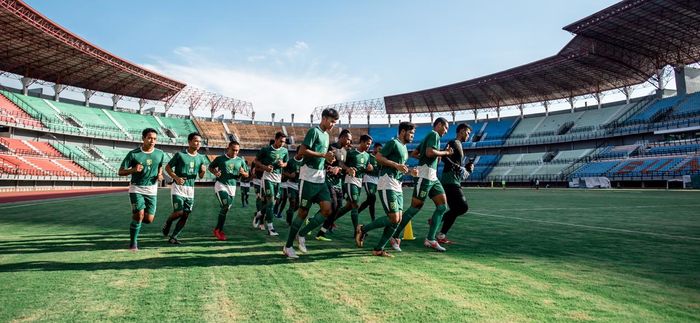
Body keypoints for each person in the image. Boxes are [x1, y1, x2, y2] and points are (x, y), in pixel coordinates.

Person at [282, 108, 339, 258]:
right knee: (303, 212)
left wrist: (329, 162)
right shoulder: (314, 132)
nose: (333, 124)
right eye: (332, 121)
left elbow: (322, 157)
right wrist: (322, 155)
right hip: (308, 178)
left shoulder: (326, 135)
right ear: (325, 118)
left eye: (335, 122)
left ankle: (302, 234)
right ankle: (288, 247)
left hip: (321, 178)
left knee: (327, 210)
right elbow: (301, 151)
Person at [390, 117, 454, 252]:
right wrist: (445, 152)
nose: (446, 131)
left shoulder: (428, 137)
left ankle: (430, 239)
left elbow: (415, 153)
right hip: (424, 176)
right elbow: (430, 152)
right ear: (439, 125)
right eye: (446, 127)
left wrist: (429, 157)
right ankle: (394, 236)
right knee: (415, 208)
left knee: (442, 206)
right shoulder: (433, 134)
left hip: (432, 177)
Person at [355, 122, 417, 257]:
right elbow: (378, 157)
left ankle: (378, 249)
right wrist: (396, 165)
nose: (412, 136)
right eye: (411, 133)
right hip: (387, 183)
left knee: (398, 220)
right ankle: (363, 229)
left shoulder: (405, 148)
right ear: (402, 132)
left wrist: (410, 172)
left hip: (397, 185)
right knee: (394, 218)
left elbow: (399, 168)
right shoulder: (393, 143)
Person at [118, 128, 166, 251]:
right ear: (143, 138)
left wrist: (160, 175)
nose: (152, 141)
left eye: (154, 139)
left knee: (149, 219)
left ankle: (136, 221)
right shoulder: (133, 154)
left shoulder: (160, 153)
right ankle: (133, 243)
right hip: (136, 188)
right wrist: (133, 170)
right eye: (149, 138)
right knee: (139, 215)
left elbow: (160, 166)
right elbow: (120, 171)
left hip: (152, 189)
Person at [162, 132, 209, 244]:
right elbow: (167, 168)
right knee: (179, 212)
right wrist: (176, 177)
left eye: (200, 142)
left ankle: (174, 237)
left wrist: (203, 171)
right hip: (178, 187)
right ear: (189, 142)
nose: (198, 143)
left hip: (190, 189)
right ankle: (168, 222)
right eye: (196, 141)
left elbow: (201, 176)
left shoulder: (201, 158)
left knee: (186, 215)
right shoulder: (180, 155)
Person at [324, 134, 374, 234]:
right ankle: (357, 232)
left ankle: (328, 222)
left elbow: (367, 168)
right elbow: (341, 163)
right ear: (362, 142)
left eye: (370, 144)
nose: (369, 146)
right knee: (355, 205)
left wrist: (370, 168)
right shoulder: (351, 153)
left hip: (359, 181)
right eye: (367, 143)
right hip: (350, 180)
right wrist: (348, 169)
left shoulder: (368, 155)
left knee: (348, 206)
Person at [436, 123, 473, 245]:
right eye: (467, 133)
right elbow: (444, 155)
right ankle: (438, 219)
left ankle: (441, 235)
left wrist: (467, 168)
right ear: (461, 131)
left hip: (454, 180)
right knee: (462, 207)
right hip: (449, 181)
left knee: (456, 209)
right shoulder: (454, 143)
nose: (468, 135)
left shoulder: (459, 145)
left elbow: (457, 166)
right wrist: (457, 166)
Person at [313, 129, 352, 241]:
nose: (349, 142)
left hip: (338, 182)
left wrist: (344, 169)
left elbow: (341, 166)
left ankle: (321, 232)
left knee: (336, 208)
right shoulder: (331, 148)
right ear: (342, 137)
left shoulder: (345, 151)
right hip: (327, 180)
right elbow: (323, 162)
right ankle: (316, 223)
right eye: (348, 139)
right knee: (333, 205)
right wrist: (330, 168)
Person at [209, 141, 249, 241]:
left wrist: (244, 173)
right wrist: (215, 172)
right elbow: (211, 167)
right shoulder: (220, 159)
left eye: (237, 150)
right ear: (228, 148)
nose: (235, 152)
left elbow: (247, 174)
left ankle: (217, 229)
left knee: (225, 209)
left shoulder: (240, 161)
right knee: (225, 206)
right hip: (221, 185)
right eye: (233, 150)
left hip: (232, 187)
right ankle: (219, 231)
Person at [255, 132, 289, 236]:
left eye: (284, 142)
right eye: (280, 141)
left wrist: (283, 164)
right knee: (270, 201)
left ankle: (259, 214)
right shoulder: (266, 150)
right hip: (267, 178)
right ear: (275, 139)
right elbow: (256, 161)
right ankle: (270, 228)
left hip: (278, 179)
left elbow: (286, 162)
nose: (282, 144)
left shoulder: (285, 151)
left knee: (273, 202)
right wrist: (265, 167)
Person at [357, 142, 382, 222]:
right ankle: (373, 219)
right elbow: (363, 166)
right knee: (372, 198)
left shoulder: (380, 158)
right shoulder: (368, 156)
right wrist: (367, 168)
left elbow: (379, 169)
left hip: (376, 181)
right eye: (379, 149)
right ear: (374, 148)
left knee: (370, 200)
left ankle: (357, 211)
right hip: (368, 179)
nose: (380, 151)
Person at [282, 146, 303, 225]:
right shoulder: (290, 161)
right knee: (292, 202)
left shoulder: (304, 162)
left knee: (298, 205)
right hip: (291, 185)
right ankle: (289, 222)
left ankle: (289, 212)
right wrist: (290, 175)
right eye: (301, 153)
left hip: (300, 186)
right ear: (297, 152)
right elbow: (283, 171)